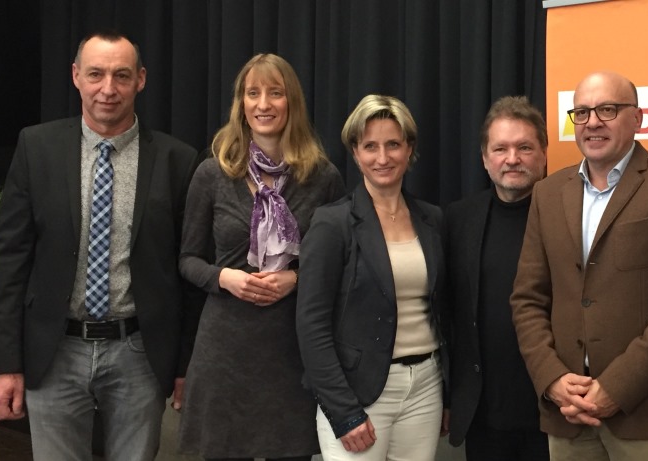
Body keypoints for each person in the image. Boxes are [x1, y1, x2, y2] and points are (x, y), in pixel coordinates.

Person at [0, 30, 204, 460]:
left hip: (139, 354)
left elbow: (189, 273)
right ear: (75, 76)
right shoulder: (37, 148)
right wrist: (5, 364)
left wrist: (186, 366)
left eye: (121, 75)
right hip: (53, 351)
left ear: (140, 79)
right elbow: (10, 262)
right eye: (96, 74)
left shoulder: (177, 160)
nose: (108, 88)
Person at [510, 71, 648, 461]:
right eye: (582, 112)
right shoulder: (547, 193)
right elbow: (527, 299)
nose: (593, 122)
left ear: (637, 118)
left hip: (644, 414)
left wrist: (616, 388)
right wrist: (552, 378)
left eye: (607, 109)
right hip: (568, 412)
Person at [176, 53, 345, 460]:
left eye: (275, 93)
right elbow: (188, 259)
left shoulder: (323, 177)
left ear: (292, 102)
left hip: (291, 352)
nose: (263, 104)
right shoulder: (212, 173)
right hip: (224, 352)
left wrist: (296, 279)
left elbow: (341, 264)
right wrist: (225, 278)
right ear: (241, 103)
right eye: (253, 93)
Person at [296, 94, 448, 461]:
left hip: (425, 389)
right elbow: (311, 325)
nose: (383, 158)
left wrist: (449, 392)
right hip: (358, 393)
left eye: (393, 144)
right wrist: (343, 411)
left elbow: (445, 311)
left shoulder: (432, 219)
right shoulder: (332, 223)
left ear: (409, 149)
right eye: (370, 146)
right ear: (355, 152)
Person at [445, 96, 549, 461]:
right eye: (500, 148)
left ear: (544, 153)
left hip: (553, 411)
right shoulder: (457, 220)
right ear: (484, 157)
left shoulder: (570, 214)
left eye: (525, 147)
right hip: (484, 415)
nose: (512, 158)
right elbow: (445, 314)